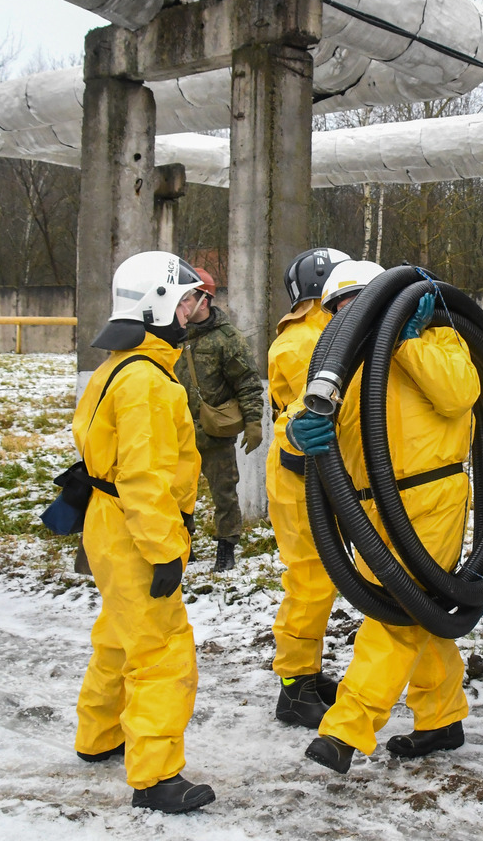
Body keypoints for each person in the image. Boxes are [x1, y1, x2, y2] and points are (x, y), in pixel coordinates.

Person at [281, 260, 479, 774]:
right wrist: (296, 432)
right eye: (340, 307)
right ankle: (441, 719)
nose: (351, 313)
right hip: (369, 506)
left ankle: (346, 730)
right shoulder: (338, 364)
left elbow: (460, 394)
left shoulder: (436, 339)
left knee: (396, 613)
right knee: (421, 613)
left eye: (360, 300)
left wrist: (407, 343)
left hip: (431, 495)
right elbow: (298, 413)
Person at [72, 250, 215, 813]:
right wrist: (163, 550)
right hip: (136, 529)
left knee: (117, 632)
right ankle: (156, 778)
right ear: (157, 306)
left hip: (109, 523)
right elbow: (143, 476)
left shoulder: (119, 367)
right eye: (185, 302)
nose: (192, 312)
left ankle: (99, 734)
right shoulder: (149, 382)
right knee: (161, 649)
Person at [265, 246, 350, 728]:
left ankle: (309, 675)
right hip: (301, 473)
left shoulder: (322, 331)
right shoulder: (304, 342)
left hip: (318, 469)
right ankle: (295, 687)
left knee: (321, 577)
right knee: (311, 578)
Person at [174, 267, 264, 572]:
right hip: (177, 430)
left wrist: (253, 422)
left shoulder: (227, 338)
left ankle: (226, 549)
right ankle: (182, 545)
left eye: (186, 298)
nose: (181, 305)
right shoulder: (170, 335)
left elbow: (247, 382)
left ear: (204, 299)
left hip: (214, 430)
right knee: (176, 492)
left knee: (224, 493)